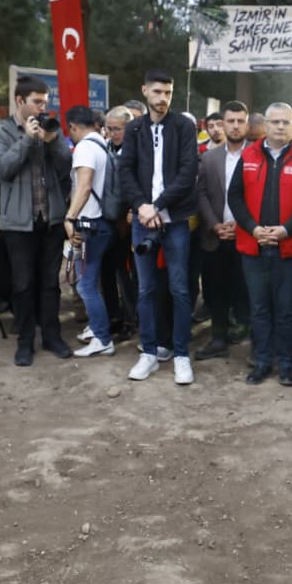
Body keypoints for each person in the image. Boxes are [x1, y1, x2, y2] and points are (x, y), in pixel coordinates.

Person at [118, 71, 199, 386]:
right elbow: (125, 171)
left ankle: (180, 354)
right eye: (157, 91)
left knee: (179, 289)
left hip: (175, 219)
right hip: (143, 221)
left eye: (167, 91)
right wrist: (141, 207)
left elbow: (188, 171)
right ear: (145, 91)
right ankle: (149, 352)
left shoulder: (184, 126)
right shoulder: (134, 128)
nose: (163, 97)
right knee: (146, 289)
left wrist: (158, 205)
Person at [230, 102, 292, 385]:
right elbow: (235, 198)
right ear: (265, 125)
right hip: (254, 247)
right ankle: (262, 362)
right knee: (259, 309)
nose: (280, 127)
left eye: (285, 122)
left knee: (286, 309)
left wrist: (286, 229)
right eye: (275, 122)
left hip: (288, 248)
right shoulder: (248, 155)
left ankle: (286, 365)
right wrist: (253, 229)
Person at [0, 74, 72, 366]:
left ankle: (52, 336)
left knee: (50, 283)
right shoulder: (2, 132)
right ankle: (25, 341)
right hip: (18, 223)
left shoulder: (51, 128)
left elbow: (66, 168)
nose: (41, 108)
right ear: (20, 101)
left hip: (50, 219)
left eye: (45, 102)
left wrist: (52, 141)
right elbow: (2, 169)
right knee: (23, 285)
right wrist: (27, 138)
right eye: (37, 102)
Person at [195, 101, 251, 361]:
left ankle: (249, 339)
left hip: (248, 236)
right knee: (216, 291)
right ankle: (218, 339)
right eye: (231, 121)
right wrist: (215, 225)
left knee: (246, 291)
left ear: (247, 124)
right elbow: (202, 194)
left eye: (241, 121)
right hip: (215, 235)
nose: (236, 126)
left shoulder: (257, 157)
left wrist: (242, 227)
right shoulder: (209, 157)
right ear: (222, 124)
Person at [61, 105, 117, 358]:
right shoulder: (102, 145)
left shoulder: (84, 147)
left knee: (85, 285)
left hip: (90, 224)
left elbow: (83, 187)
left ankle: (102, 338)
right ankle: (97, 329)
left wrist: (70, 216)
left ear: (73, 126)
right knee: (91, 282)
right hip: (103, 222)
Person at [98, 106, 137, 342]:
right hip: (106, 222)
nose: (113, 133)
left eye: (117, 129)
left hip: (129, 224)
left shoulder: (138, 152)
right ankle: (113, 316)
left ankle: (131, 320)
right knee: (106, 272)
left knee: (127, 275)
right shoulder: (104, 149)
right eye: (109, 128)